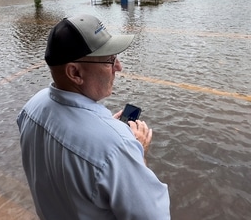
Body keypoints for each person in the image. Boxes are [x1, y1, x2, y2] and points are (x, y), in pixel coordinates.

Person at [17, 14, 170, 219]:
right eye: (110, 60)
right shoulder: (117, 147)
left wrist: (105, 130)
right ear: (75, 73)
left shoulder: (31, 108)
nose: (118, 67)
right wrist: (137, 155)